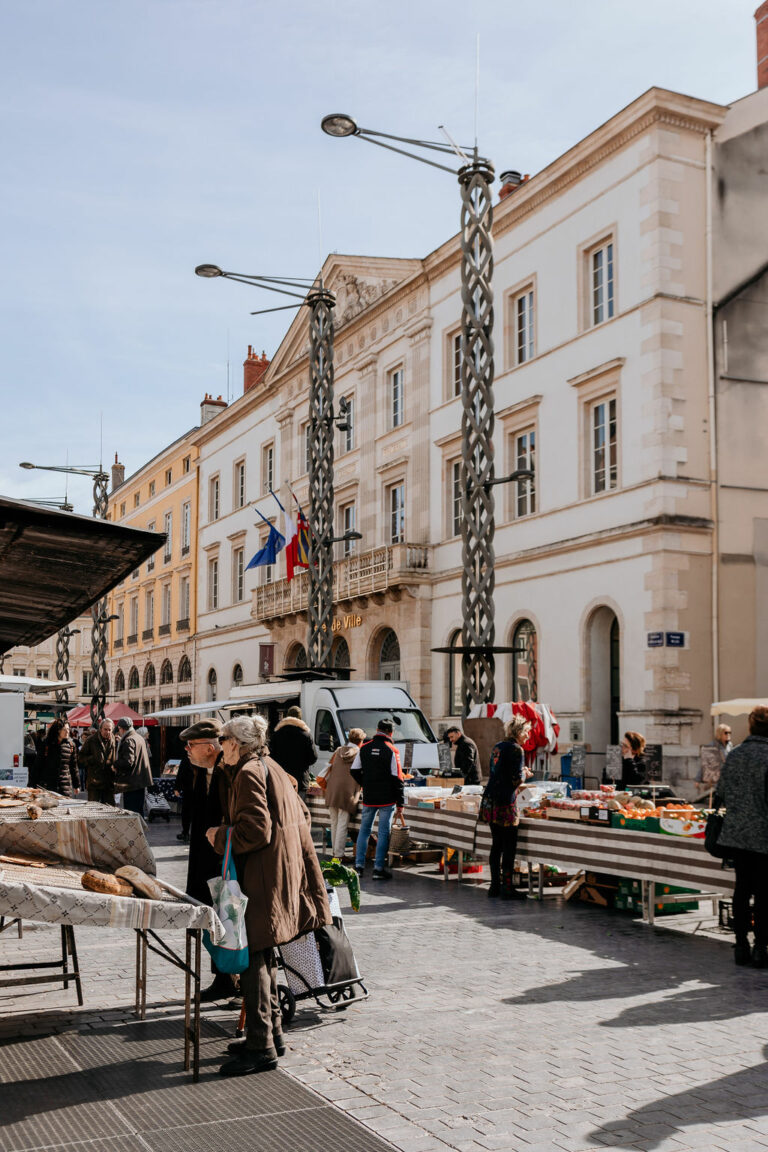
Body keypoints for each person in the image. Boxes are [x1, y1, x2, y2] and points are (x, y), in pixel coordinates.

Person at [207, 715, 331, 1077]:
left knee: (256, 960)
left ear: (236, 743)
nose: (219, 747)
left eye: (223, 739)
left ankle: (260, 1046)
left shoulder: (248, 772)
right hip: (279, 873)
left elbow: (256, 830)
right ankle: (272, 1034)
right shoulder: (270, 766)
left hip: (264, 877)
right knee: (265, 955)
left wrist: (219, 835)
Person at [180, 718, 235, 1002]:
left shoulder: (231, 770)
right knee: (213, 917)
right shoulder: (201, 769)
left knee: (230, 919)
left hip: (225, 857)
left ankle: (235, 979)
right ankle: (223, 977)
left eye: (191, 745)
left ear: (211, 747)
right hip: (204, 856)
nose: (187, 750)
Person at [716, 706, 768, 967]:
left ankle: (740, 945)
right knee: (763, 893)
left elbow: (721, 791)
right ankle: (761, 947)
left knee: (741, 890)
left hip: (737, 835)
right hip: (763, 835)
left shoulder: (735, 755)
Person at [479, 715, 532, 899]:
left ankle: (494, 886)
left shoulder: (498, 746)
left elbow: (495, 772)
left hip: (490, 799)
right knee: (509, 846)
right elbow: (516, 779)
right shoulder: (517, 749)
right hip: (505, 803)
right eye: (526, 732)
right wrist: (525, 774)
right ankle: (507, 888)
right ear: (518, 732)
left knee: (496, 845)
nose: (528, 736)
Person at [351, 719, 404, 882]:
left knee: (364, 830)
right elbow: (398, 778)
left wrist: (365, 783)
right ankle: (378, 868)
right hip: (387, 798)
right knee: (383, 833)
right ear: (391, 732)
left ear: (377, 729)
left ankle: (359, 867)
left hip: (369, 796)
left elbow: (353, 770)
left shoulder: (364, 748)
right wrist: (400, 802)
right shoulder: (392, 750)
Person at [324, 728, 365, 861]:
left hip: (332, 790)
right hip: (347, 793)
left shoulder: (338, 750)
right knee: (342, 823)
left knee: (334, 823)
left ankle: (336, 854)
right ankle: (339, 854)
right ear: (361, 741)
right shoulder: (360, 753)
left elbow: (330, 767)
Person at [269, 705, 316, 799]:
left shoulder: (277, 735)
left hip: (282, 779)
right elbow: (313, 758)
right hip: (300, 780)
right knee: (300, 810)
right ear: (300, 718)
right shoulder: (305, 735)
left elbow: (271, 758)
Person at [114, 717, 153, 815]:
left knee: (131, 812)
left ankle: (136, 830)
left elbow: (128, 762)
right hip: (140, 781)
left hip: (132, 783)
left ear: (121, 728)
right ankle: (141, 830)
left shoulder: (128, 740)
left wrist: (115, 764)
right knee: (139, 811)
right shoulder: (139, 737)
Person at [79, 718, 117, 805]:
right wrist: (93, 759)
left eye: (109, 730)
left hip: (108, 782)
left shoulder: (113, 739)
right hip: (94, 782)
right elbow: (80, 757)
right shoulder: (91, 740)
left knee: (110, 810)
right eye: (105, 729)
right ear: (100, 729)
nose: (107, 732)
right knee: (93, 809)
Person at [38, 719, 79, 797]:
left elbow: (74, 767)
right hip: (48, 785)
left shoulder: (71, 745)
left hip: (65, 786)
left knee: (65, 808)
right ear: (58, 731)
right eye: (64, 729)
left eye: (68, 729)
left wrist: (76, 785)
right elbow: (38, 765)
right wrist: (32, 784)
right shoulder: (47, 744)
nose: (67, 732)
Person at [174, 751, 194, 842]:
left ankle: (186, 833)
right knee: (187, 811)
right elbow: (182, 770)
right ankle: (185, 832)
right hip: (189, 787)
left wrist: (177, 787)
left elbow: (182, 770)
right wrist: (177, 787)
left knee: (188, 811)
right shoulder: (188, 754)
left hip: (193, 787)